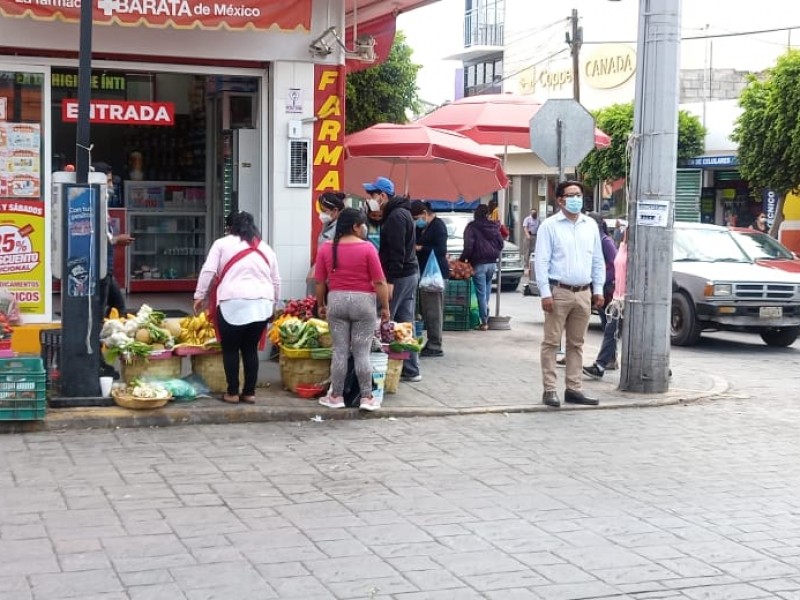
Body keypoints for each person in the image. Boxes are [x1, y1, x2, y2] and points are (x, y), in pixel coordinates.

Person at [193, 211, 281, 405]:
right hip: (262, 303)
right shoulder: (266, 248)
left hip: (232, 302)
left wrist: (199, 296)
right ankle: (249, 393)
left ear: (229, 227)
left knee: (231, 349)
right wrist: (274, 303)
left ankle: (232, 393)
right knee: (250, 349)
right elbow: (276, 280)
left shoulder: (222, 244)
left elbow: (208, 271)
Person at [534, 180, 605, 407]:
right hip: (559, 291)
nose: (576, 199)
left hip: (583, 292)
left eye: (579, 194)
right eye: (571, 195)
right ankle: (550, 389)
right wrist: (545, 293)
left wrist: (599, 289)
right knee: (552, 343)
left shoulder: (590, 225)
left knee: (577, 343)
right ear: (560, 199)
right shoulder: (550, 226)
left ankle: (573, 388)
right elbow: (542, 261)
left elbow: (597, 260)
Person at [314, 208, 391, 411]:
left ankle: (336, 396)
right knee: (361, 353)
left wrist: (320, 304)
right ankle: (366, 398)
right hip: (364, 303)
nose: (364, 228)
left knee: (339, 351)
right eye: (362, 224)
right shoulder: (367, 249)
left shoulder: (326, 248)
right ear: (355, 227)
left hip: (337, 301)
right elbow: (380, 281)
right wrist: (385, 307)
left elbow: (320, 281)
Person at [363, 176, 421, 382]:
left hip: (399, 276)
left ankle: (377, 368)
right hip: (410, 273)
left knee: (383, 320)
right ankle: (411, 369)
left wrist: (390, 282)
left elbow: (396, 252)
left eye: (372, 195)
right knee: (406, 322)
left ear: (383, 195)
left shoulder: (396, 217)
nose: (370, 199)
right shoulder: (401, 213)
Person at [584, 225, 628, 380]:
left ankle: (662, 364)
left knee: (623, 332)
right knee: (610, 330)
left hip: (629, 298)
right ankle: (601, 365)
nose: (626, 234)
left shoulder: (636, 251)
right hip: (618, 297)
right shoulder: (623, 246)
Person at [410, 200, 449, 357]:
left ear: (425, 213)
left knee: (434, 311)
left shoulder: (438, 226)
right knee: (428, 310)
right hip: (425, 274)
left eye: (417, 217)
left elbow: (441, 249)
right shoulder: (424, 228)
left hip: (435, 275)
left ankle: (435, 344)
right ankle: (431, 342)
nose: (417, 221)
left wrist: (421, 248)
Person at [459, 204, 504, 331]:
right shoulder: (493, 226)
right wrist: (494, 251)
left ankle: (484, 321)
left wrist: (462, 260)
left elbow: (468, 246)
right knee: (487, 290)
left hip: (479, 263)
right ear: (487, 214)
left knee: (481, 293)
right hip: (492, 263)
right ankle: (486, 314)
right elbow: (501, 243)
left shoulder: (472, 227)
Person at [307, 191, 346, 294]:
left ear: (335, 210)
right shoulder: (328, 224)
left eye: (325, 211)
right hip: (323, 270)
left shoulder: (341, 227)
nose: (322, 214)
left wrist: (316, 268)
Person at [522, 208, 540, 272]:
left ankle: (532, 265)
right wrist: (528, 236)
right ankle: (526, 265)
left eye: (535, 213)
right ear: (531, 213)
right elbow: (525, 228)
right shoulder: (527, 219)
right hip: (528, 236)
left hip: (535, 236)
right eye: (533, 213)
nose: (534, 214)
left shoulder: (538, 220)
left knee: (534, 250)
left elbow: (539, 228)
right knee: (527, 251)